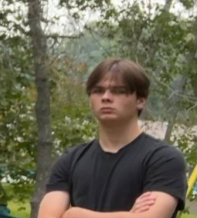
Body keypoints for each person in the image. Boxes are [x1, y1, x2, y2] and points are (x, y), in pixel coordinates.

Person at [38, 59, 188, 218]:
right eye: (98, 90)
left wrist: (73, 214)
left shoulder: (163, 159)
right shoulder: (70, 160)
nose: (106, 97)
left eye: (119, 91)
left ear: (141, 101)